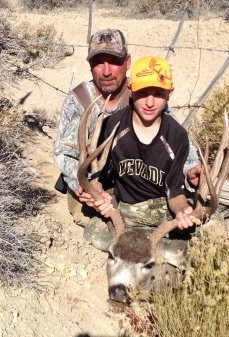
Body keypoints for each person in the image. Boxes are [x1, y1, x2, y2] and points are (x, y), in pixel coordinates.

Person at [53, 29, 201, 248]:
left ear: (127, 61)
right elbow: (64, 153)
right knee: (92, 222)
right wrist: (83, 186)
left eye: (114, 61)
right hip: (96, 184)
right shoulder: (78, 101)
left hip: (136, 179)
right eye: (98, 62)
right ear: (90, 65)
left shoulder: (144, 91)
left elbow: (174, 136)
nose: (106, 71)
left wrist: (191, 168)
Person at [84, 56, 199, 235]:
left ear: (170, 93)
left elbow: (175, 191)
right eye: (143, 93)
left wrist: (182, 211)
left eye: (159, 94)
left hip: (162, 212)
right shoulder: (112, 126)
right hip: (125, 211)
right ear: (130, 90)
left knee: (206, 230)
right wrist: (99, 196)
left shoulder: (177, 136)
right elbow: (100, 177)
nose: (150, 102)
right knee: (94, 233)